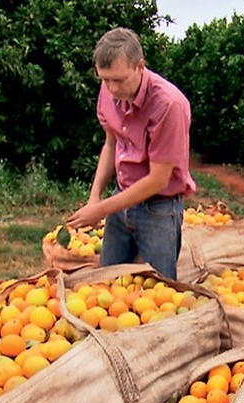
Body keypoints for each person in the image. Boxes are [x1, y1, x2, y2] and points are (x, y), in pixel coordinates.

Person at [66, 27, 194, 280]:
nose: (111, 88)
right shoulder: (110, 89)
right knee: (107, 282)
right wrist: (95, 198)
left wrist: (101, 209)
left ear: (140, 66)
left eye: (119, 80)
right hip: (121, 197)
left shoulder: (168, 105)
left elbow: (158, 179)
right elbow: (111, 144)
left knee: (159, 289)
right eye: (104, 79)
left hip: (159, 207)